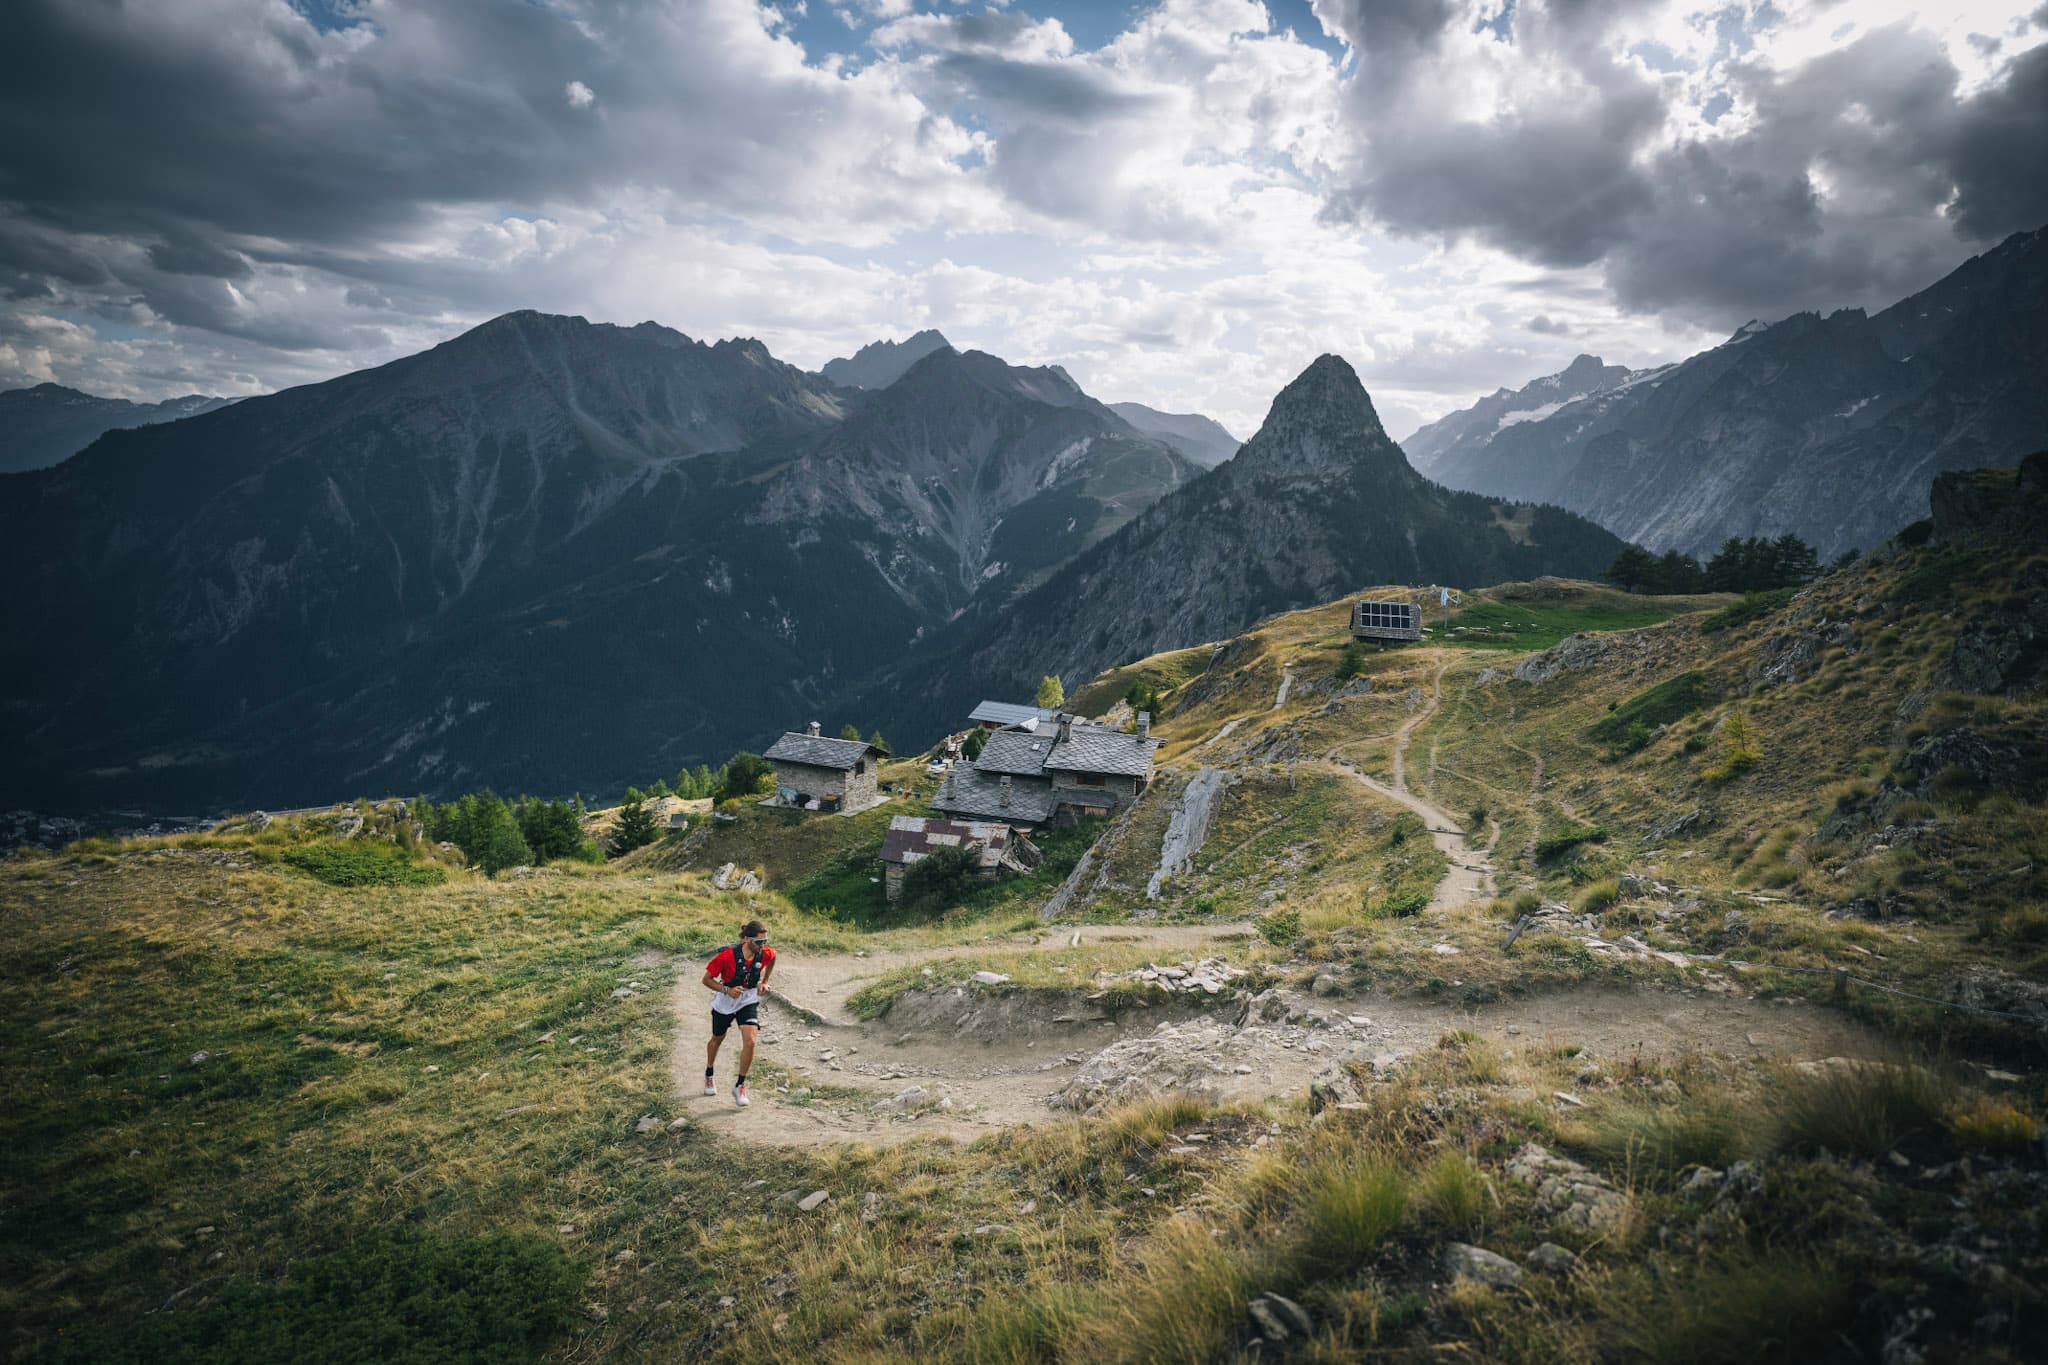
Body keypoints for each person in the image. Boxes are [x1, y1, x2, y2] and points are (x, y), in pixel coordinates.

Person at [702, 919, 775, 1107]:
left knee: (750, 1041)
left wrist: (765, 981)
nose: (763, 946)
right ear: (747, 940)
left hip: (748, 999)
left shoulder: (765, 953)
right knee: (717, 1039)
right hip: (726, 1000)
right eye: (759, 942)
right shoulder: (726, 956)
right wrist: (726, 990)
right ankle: (709, 1073)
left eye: (765, 941)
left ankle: (740, 1085)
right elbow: (707, 979)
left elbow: (773, 957)